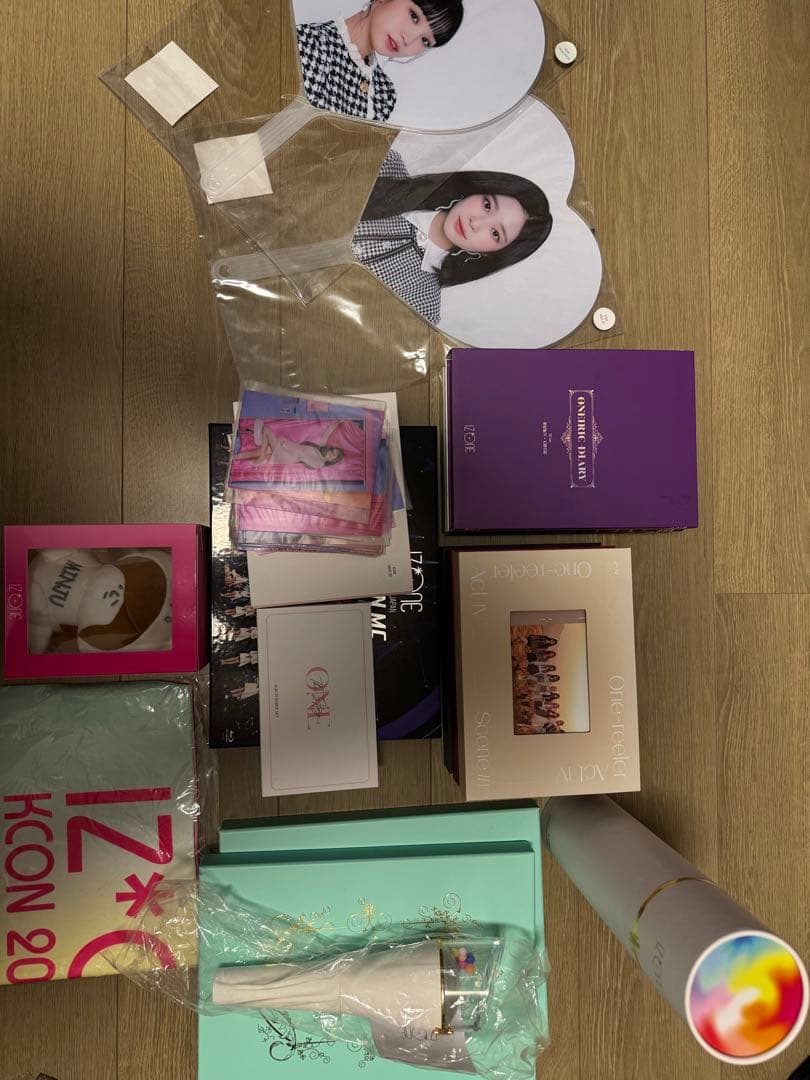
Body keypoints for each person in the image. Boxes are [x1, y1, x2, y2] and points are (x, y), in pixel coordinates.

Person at [353, 147, 552, 324]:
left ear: (492, 253)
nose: (476, 223)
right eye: (487, 205)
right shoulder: (387, 165)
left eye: (495, 233)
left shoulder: (422, 305)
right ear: (477, 191)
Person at [297, 0, 463, 122]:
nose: (409, 39)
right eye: (414, 16)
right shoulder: (306, 42)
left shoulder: (384, 95)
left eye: (425, 40)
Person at [234, 419, 345, 470]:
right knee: (254, 453)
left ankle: (262, 456)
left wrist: (285, 445)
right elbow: (327, 434)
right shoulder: (319, 449)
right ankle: (233, 458)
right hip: (285, 450)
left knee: (266, 430)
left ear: (333, 460)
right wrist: (338, 423)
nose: (331, 453)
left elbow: (301, 454)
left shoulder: (319, 463)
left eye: (333, 455)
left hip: (286, 454)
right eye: (332, 451)